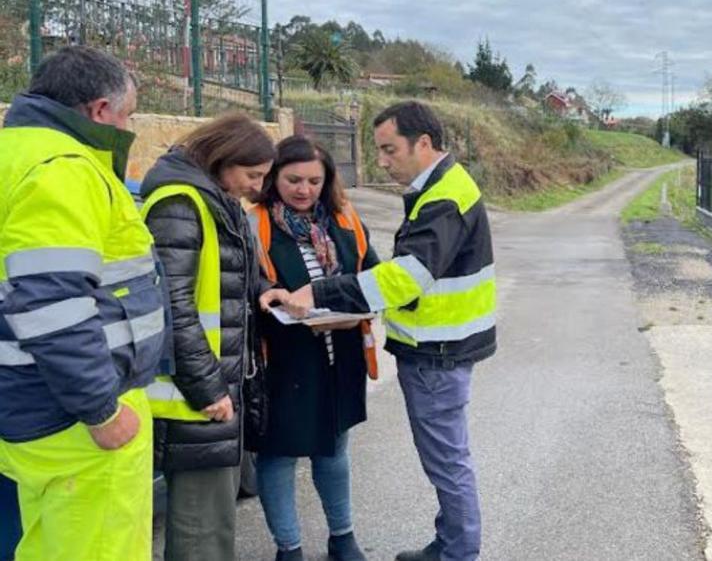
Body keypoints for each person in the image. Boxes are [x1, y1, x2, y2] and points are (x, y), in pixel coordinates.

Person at [265, 101, 497, 561]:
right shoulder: (441, 188)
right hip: (435, 349)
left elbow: (404, 277)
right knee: (444, 460)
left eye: (390, 150)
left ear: (424, 143)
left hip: (438, 351)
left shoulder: (443, 198)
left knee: (446, 462)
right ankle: (450, 544)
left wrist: (320, 294)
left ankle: (457, 553)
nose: (383, 161)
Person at [0, 46, 167, 559]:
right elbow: (52, 304)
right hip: (77, 416)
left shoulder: (15, 154)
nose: (127, 128)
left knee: (50, 542)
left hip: (31, 397)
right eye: (128, 116)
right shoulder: (65, 168)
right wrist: (101, 411)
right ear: (99, 111)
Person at [141, 113, 275, 561]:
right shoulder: (181, 203)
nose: (255, 187)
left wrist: (264, 293)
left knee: (212, 524)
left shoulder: (215, 199)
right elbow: (173, 306)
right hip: (194, 397)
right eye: (252, 174)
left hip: (211, 390)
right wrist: (209, 389)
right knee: (201, 531)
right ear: (224, 158)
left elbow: (228, 281)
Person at [247, 136, 379, 561]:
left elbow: (373, 275)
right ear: (272, 178)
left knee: (334, 448)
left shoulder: (345, 221)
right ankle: (290, 548)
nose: (304, 190)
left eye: (314, 181)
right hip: (281, 360)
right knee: (278, 455)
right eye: (293, 180)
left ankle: (343, 538)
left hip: (339, 356)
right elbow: (245, 281)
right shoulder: (254, 223)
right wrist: (271, 294)